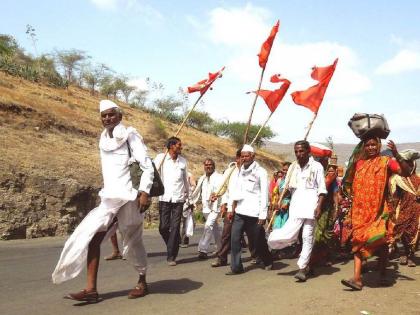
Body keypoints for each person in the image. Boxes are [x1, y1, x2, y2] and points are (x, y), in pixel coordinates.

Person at [52, 100, 154, 301]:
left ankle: (142, 280)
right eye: (103, 115)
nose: (107, 118)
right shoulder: (102, 138)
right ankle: (91, 291)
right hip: (109, 198)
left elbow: (147, 164)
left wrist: (144, 192)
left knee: (132, 241)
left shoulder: (130, 135)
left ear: (120, 116)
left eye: (111, 114)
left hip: (128, 197)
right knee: (91, 238)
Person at [340, 136, 411, 290]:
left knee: (382, 242)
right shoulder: (359, 164)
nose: (370, 148)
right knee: (358, 240)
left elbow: (405, 172)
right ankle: (357, 279)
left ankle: (383, 273)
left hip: (379, 210)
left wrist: (396, 154)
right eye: (368, 145)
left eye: (373, 144)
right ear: (364, 147)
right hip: (360, 211)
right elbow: (350, 184)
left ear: (378, 145)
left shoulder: (386, 161)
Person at [268, 140, 327, 282]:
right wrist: (280, 201)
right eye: (296, 152)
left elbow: (322, 190)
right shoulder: (293, 168)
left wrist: (319, 207)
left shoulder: (316, 166)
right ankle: (307, 264)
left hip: (311, 207)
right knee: (287, 233)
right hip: (296, 207)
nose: (299, 154)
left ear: (308, 151)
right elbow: (288, 189)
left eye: (301, 151)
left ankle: (302, 267)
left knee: (307, 236)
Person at [227, 145, 272, 275]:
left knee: (258, 240)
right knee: (235, 239)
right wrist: (231, 208)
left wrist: (263, 214)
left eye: (247, 156)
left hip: (254, 212)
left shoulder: (261, 172)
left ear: (253, 156)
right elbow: (234, 191)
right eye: (242, 156)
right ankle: (236, 267)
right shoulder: (239, 171)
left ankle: (267, 259)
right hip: (240, 211)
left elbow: (264, 194)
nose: (244, 158)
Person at [154, 137, 189, 266]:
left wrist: (189, 198)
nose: (181, 147)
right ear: (171, 146)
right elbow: (153, 172)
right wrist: (157, 166)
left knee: (175, 228)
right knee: (163, 227)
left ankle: (171, 256)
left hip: (178, 199)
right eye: (179, 145)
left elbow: (185, 181)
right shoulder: (160, 158)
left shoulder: (183, 162)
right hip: (164, 198)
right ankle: (173, 243)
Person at [211, 149, 242, 267]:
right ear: (237, 158)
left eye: (244, 158)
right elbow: (225, 189)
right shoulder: (230, 171)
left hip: (246, 208)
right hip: (230, 208)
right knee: (226, 235)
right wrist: (223, 203)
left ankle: (258, 256)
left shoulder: (248, 172)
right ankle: (222, 258)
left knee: (253, 235)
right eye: (239, 158)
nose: (241, 160)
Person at [389, 149, 419, 267]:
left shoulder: (419, 178)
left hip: (417, 209)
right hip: (403, 209)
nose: (409, 166)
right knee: (402, 230)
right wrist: (392, 209)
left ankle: (410, 255)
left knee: (415, 232)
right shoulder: (398, 179)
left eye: (411, 163)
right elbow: (395, 195)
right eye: (407, 163)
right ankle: (403, 253)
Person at [190, 159, 223, 259]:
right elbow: (197, 192)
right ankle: (220, 248)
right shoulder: (202, 178)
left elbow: (223, 190)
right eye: (206, 165)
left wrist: (217, 195)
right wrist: (191, 201)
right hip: (206, 208)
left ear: (214, 166)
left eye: (210, 165)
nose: (208, 167)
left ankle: (202, 249)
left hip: (215, 207)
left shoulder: (219, 177)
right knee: (215, 229)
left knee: (208, 226)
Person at [311, 163, 340, 267]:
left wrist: (336, 209)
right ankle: (315, 258)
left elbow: (335, 196)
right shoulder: (322, 181)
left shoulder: (334, 183)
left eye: (333, 171)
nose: (331, 173)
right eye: (329, 171)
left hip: (328, 210)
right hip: (319, 209)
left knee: (327, 234)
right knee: (318, 233)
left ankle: (327, 256)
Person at [272, 162, 292, 230]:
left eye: (287, 170)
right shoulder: (280, 180)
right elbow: (277, 192)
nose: (285, 172)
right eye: (284, 170)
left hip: (287, 206)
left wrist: (288, 204)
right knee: (276, 224)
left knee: (284, 226)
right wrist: (276, 202)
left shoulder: (293, 180)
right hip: (279, 204)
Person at [180, 172, 197, 248]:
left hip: (187, 201)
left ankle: (184, 240)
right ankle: (179, 239)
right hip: (178, 200)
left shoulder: (189, 175)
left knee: (187, 221)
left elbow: (194, 186)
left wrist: (188, 192)